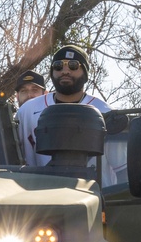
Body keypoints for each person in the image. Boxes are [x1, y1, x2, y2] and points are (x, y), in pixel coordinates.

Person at [16, 45, 122, 182]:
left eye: (73, 65)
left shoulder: (104, 112)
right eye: (58, 66)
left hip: (94, 197)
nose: (65, 71)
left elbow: (122, 171)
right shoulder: (27, 111)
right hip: (40, 196)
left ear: (85, 72)